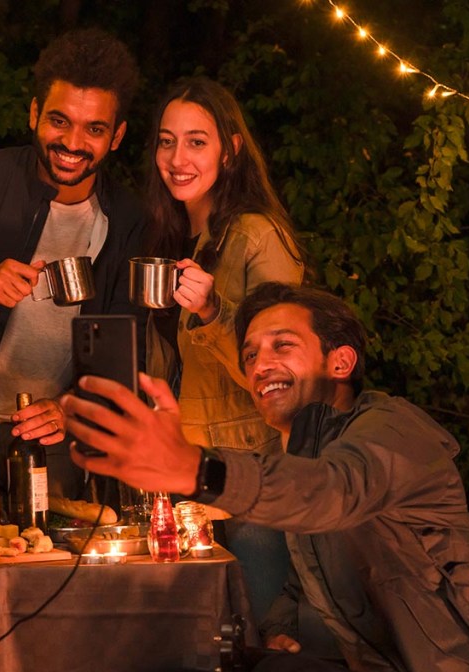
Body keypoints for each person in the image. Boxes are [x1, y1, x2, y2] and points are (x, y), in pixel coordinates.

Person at [61, 282, 469, 672]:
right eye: (249, 355)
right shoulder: (306, 454)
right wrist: (277, 631)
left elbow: (332, 492)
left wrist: (194, 469)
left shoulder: (392, 429)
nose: (259, 365)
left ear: (340, 363)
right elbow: (300, 575)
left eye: (281, 346)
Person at [0, 27, 145, 503]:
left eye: (95, 129)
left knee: (48, 568)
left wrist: (69, 408)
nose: (73, 142)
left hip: (55, 443)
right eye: (59, 121)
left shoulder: (127, 221)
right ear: (34, 114)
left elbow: (127, 350)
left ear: (118, 136)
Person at [144, 76, 305, 623]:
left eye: (196, 141)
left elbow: (285, 378)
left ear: (230, 150)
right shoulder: (174, 242)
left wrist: (214, 314)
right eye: (167, 141)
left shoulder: (259, 237)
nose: (177, 157)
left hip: (256, 479)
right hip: (194, 480)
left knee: (261, 636)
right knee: (208, 640)